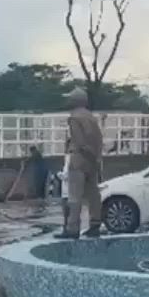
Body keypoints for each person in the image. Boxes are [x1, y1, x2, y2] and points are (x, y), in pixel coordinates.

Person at [57, 87, 104, 239]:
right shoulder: (91, 117)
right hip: (93, 160)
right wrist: (96, 158)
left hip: (79, 158)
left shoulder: (74, 118)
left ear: (75, 100)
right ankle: (95, 224)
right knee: (93, 194)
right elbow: (99, 140)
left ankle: (72, 228)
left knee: (74, 196)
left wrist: (86, 153)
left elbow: (79, 141)